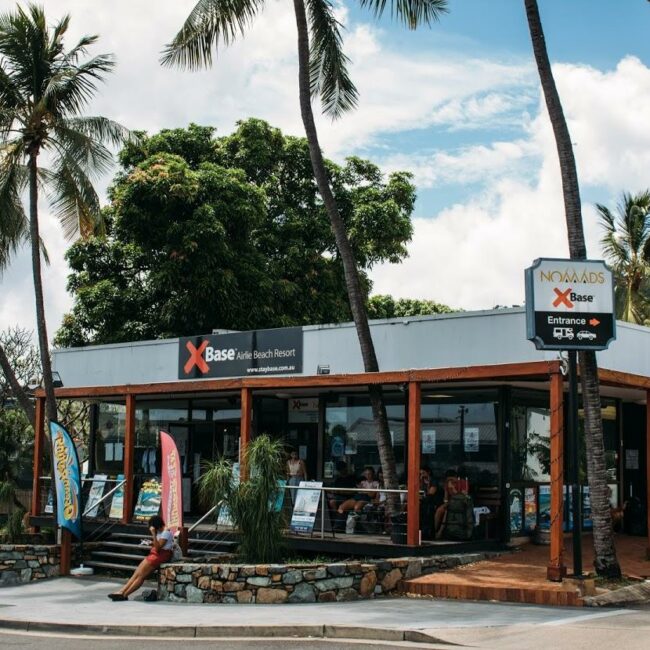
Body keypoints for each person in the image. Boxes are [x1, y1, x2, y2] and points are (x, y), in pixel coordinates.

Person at [108, 515, 173, 601]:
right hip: (155, 554)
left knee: (141, 576)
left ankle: (125, 595)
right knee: (136, 574)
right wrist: (151, 542)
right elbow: (157, 544)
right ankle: (121, 591)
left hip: (160, 555)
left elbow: (158, 548)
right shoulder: (160, 532)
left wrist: (153, 534)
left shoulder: (166, 533)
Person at [419, 467, 444, 540]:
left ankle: (429, 531)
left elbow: (431, 493)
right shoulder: (422, 481)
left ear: (428, 472)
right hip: (426, 501)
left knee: (427, 508)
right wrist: (421, 481)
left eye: (423, 473)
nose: (422, 475)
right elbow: (419, 490)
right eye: (420, 474)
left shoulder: (433, 481)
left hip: (435, 500)